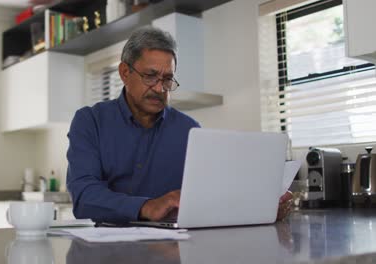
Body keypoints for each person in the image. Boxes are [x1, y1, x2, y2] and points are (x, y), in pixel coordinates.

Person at [66, 26, 292, 223]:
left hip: (173, 248)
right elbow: (84, 197)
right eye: (151, 76)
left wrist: (263, 208)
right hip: (105, 250)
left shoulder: (190, 131)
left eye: (167, 79)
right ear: (125, 72)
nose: (159, 88)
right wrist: (148, 206)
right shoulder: (90, 121)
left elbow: (214, 197)